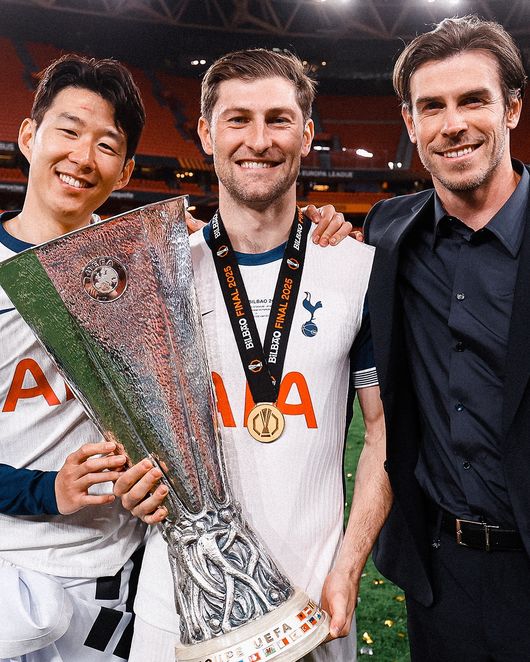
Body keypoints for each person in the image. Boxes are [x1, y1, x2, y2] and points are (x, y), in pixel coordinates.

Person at [114, 48, 389, 662]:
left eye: (278, 119)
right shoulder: (155, 278)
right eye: (237, 119)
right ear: (205, 133)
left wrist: (347, 568)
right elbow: (122, 426)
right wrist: (130, 483)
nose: (259, 140)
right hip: (175, 608)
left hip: (312, 605)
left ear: (307, 134)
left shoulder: (357, 270)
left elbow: (383, 433)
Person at [363, 15, 530, 661]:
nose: (452, 123)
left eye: (473, 100)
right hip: (441, 575)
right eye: (432, 106)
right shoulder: (387, 231)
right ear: (411, 123)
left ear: (511, 108)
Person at [0, 54, 147, 661]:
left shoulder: (144, 268)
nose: (83, 157)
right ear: (28, 136)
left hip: (112, 571)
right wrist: (46, 491)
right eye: (68, 131)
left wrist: (319, 221)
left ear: (126, 169)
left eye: (106, 144)